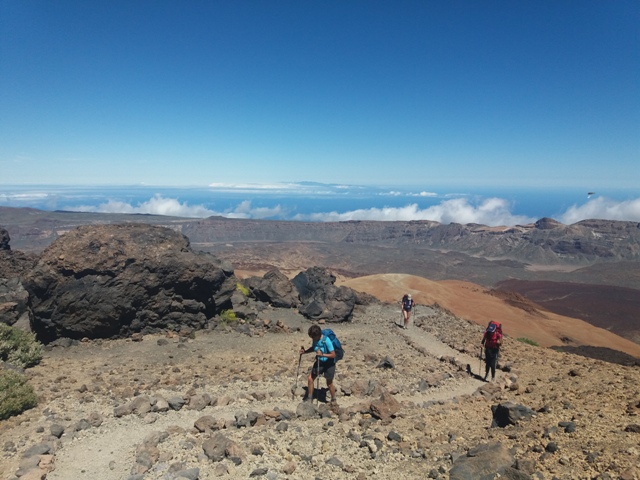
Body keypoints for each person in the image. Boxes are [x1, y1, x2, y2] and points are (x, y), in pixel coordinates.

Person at [299, 325, 337, 404]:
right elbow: (314, 348)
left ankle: (333, 399)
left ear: (318, 335)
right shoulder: (315, 340)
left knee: (329, 383)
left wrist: (322, 355)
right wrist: (305, 352)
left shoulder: (326, 340)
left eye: (313, 337)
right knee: (310, 379)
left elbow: (333, 355)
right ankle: (310, 398)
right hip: (319, 362)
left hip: (329, 364)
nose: (312, 338)